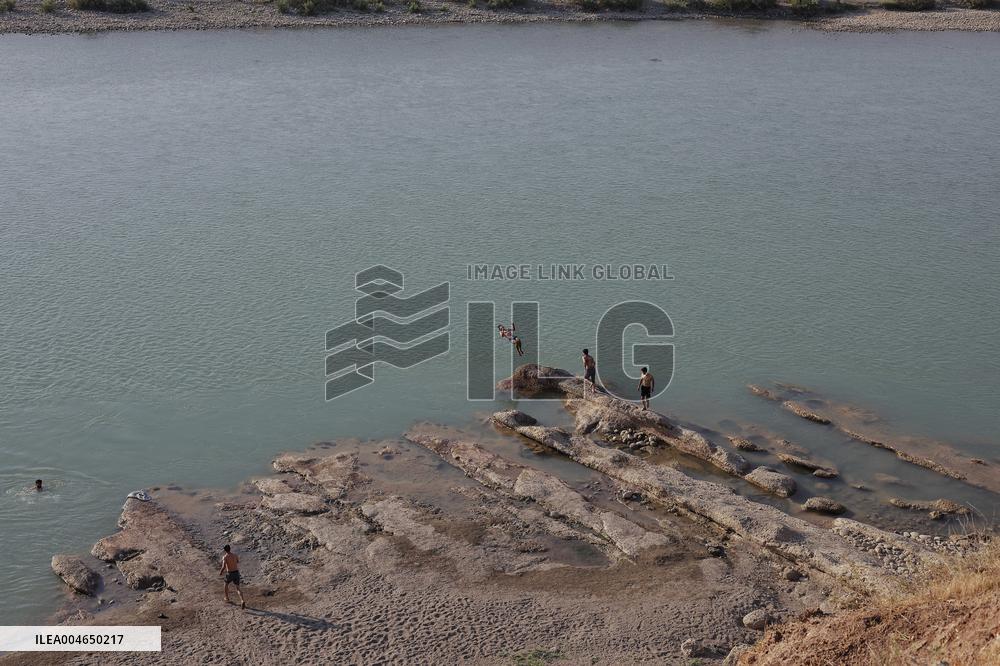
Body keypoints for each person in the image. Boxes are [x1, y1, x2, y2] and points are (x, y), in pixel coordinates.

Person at [220, 544, 245, 609]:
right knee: (238, 588)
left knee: (225, 585)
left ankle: (227, 598)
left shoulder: (225, 557)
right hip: (236, 572)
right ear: (230, 549)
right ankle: (242, 600)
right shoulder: (235, 555)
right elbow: (237, 561)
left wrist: (221, 572)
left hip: (230, 573)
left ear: (224, 550)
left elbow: (223, 566)